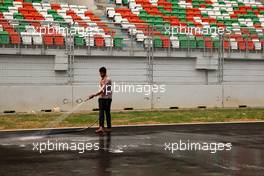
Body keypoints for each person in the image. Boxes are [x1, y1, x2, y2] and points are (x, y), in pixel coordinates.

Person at [88, 67, 112, 133]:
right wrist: (96, 95)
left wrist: (94, 95)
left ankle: (109, 127)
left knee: (107, 113)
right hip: (101, 98)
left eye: (101, 73)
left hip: (107, 99)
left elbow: (103, 90)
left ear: (104, 72)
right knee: (101, 113)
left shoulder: (108, 80)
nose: (100, 74)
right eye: (100, 73)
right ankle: (101, 127)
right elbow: (100, 90)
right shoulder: (102, 80)